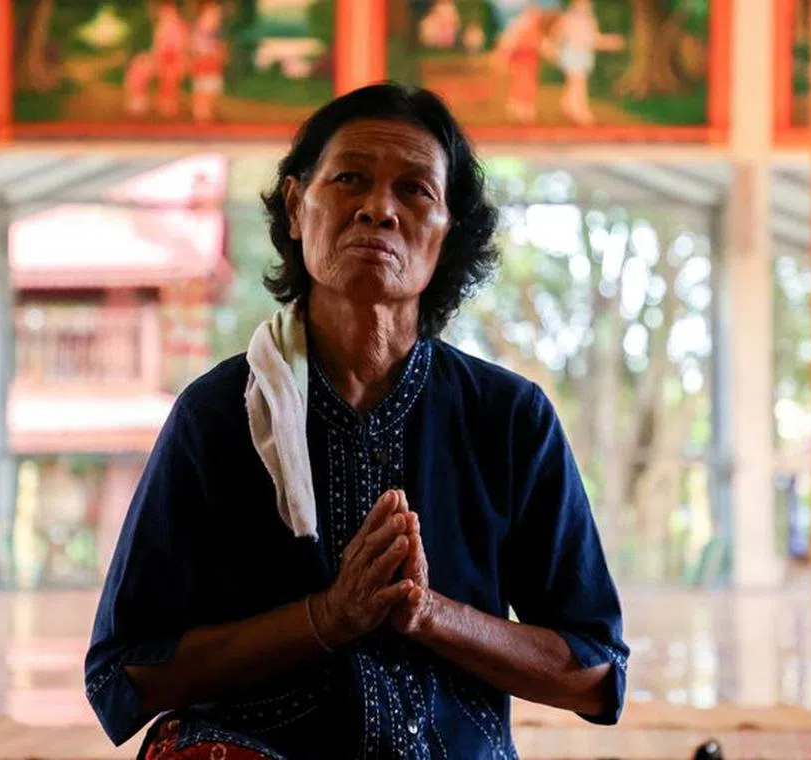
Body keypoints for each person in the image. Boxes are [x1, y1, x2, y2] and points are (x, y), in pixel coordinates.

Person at [85, 82, 628, 760]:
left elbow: (595, 672)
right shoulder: (218, 415)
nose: (379, 209)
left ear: (447, 230)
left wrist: (431, 615)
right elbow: (126, 671)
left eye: (415, 191)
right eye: (349, 180)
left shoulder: (510, 418)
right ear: (294, 206)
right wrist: (326, 618)